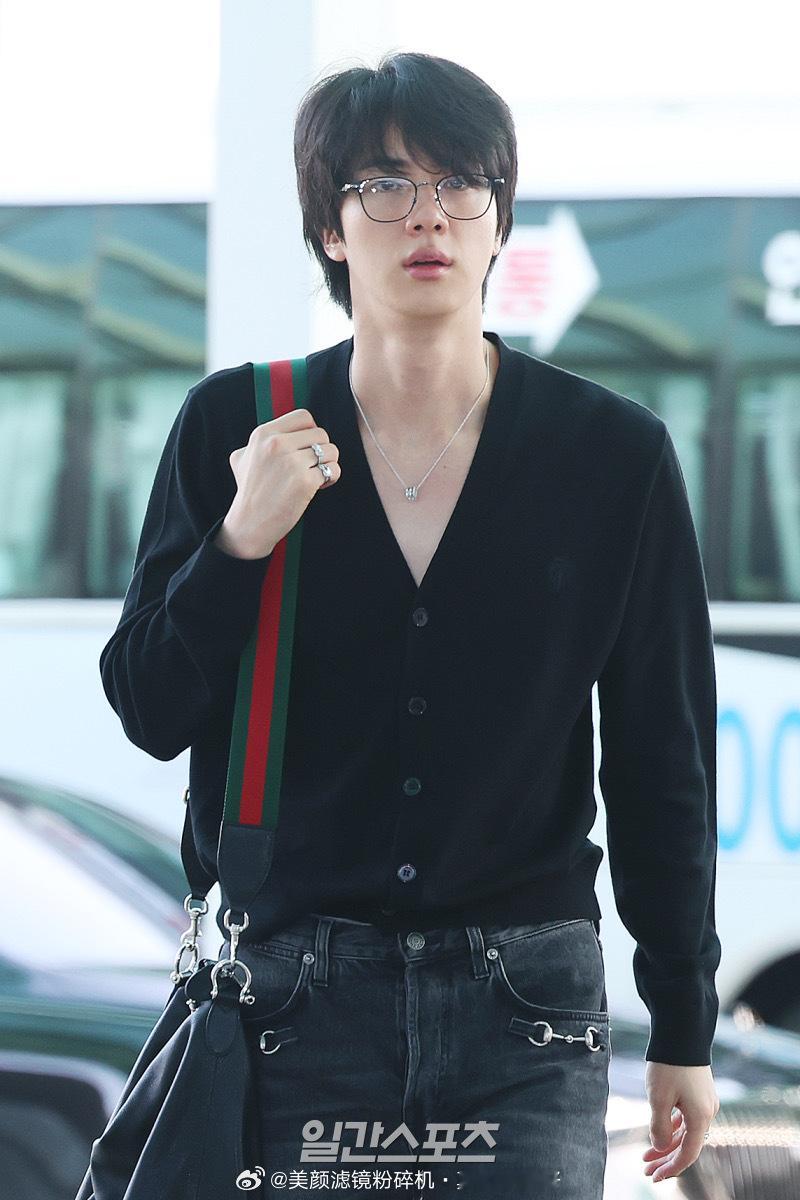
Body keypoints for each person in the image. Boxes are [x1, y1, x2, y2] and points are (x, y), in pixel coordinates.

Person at [100, 51, 721, 1198]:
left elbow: (659, 759)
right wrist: (238, 542)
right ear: (329, 227)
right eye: (384, 185)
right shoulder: (235, 423)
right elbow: (146, 706)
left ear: (498, 219)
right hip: (290, 1001)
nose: (426, 215)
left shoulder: (611, 455)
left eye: (459, 184)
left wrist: (682, 1022)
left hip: (525, 1007)